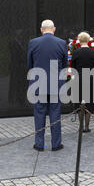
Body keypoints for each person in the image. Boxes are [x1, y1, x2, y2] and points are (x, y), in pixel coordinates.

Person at [27, 20, 67, 152]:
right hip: (56, 85)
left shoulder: (33, 43)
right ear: (54, 29)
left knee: (39, 114)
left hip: (38, 84)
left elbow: (30, 64)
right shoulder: (61, 43)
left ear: (41, 29)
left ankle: (39, 144)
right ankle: (56, 144)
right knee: (55, 115)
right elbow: (65, 65)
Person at [71, 32, 94, 132]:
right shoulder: (93, 52)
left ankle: (81, 126)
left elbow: (72, 67)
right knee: (90, 102)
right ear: (88, 40)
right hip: (90, 80)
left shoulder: (75, 53)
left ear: (79, 40)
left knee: (79, 102)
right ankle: (87, 127)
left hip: (78, 79)